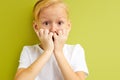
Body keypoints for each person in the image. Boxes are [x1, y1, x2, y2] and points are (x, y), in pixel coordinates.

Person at [14, 0, 89, 80]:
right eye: (46, 23)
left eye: (60, 23)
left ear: (68, 26)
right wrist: (47, 51)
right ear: (36, 27)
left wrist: (58, 52)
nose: (53, 29)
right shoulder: (28, 51)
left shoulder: (75, 50)